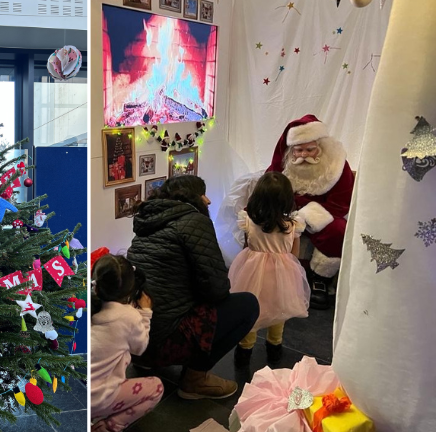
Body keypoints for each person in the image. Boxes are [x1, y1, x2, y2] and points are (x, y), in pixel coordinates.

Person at [128, 175, 259, 399]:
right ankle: (194, 379)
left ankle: (146, 362)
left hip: (135, 335)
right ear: (191, 197)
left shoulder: (147, 222)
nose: (208, 200)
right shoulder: (194, 221)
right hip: (165, 338)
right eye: (202, 193)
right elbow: (217, 288)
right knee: (248, 305)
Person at [265, 115, 354, 309]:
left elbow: (341, 203)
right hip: (287, 212)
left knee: (339, 230)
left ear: (320, 147)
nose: (304, 154)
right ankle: (273, 273)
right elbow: (269, 191)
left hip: (323, 215)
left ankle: (320, 277)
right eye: (299, 150)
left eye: (309, 149)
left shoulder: (337, 165)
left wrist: (306, 218)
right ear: (292, 150)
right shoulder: (284, 165)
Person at [229, 172, 311, 367]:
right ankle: (275, 346)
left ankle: (244, 350)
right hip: (282, 274)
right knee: (279, 308)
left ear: (257, 197)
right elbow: (294, 254)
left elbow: (247, 246)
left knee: (250, 309)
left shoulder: (248, 221)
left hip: (251, 271)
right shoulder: (293, 226)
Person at [90, 254, 164, 432]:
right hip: (99, 397)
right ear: (130, 289)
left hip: (79, 392)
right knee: (156, 388)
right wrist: (145, 313)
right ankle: (109, 426)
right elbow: (140, 348)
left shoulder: (87, 305)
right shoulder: (129, 317)